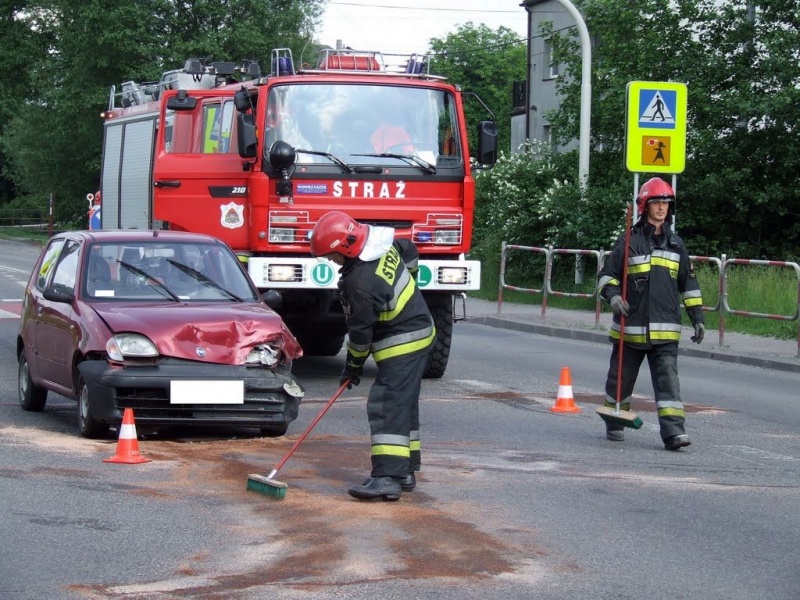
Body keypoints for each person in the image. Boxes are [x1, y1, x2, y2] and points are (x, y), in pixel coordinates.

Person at [309, 211, 435, 500]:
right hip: (419, 329)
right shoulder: (384, 246)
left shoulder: (361, 284)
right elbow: (410, 250)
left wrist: (351, 368)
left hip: (403, 341)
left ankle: (387, 478)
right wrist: (411, 286)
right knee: (403, 403)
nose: (331, 261)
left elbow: (360, 336)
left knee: (387, 403)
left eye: (332, 256)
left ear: (347, 248)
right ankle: (404, 471)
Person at [597, 177, 704, 451]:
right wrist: (614, 296)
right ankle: (615, 420)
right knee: (620, 379)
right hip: (630, 328)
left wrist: (698, 317)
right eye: (656, 203)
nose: (661, 209)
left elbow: (688, 285)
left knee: (669, 384)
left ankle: (674, 434)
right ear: (645, 206)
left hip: (666, 331)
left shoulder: (677, 245)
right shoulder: (628, 242)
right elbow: (606, 276)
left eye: (666, 204)